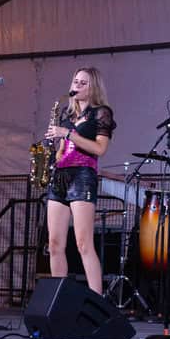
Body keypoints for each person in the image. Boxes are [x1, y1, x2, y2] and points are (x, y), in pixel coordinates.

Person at [45, 67, 116, 295]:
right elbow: (63, 151)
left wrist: (68, 134)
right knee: (55, 244)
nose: (76, 85)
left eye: (83, 82)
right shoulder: (68, 116)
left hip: (83, 175)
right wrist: (52, 149)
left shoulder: (101, 113)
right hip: (60, 175)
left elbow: (99, 148)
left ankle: (97, 300)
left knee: (84, 244)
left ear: (93, 87)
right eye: (75, 81)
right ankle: (58, 300)